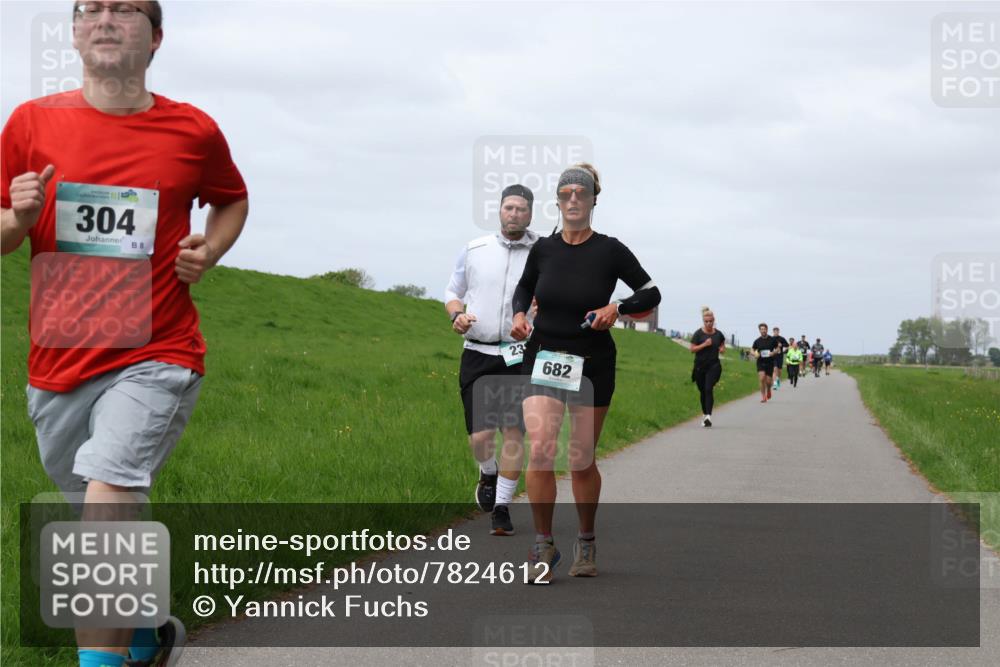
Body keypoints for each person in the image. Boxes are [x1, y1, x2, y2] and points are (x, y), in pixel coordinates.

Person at [1, 3, 249, 666]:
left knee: (108, 495)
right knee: (90, 508)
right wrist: (18, 218)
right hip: (57, 363)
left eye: (124, 7)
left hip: (155, 351)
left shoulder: (192, 130)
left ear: (156, 37)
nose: (105, 16)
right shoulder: (29, 124)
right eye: (92, 7)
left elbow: (231, 196)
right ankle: (144, 629)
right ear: (77, 32)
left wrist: (211, 248)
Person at [509, 163, 659, 582]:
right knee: (539, 450)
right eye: (566, 193)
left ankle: (587, 540)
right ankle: (542, 545)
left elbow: (650, 291)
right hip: (543, 356)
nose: (573, 199)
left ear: (594, 199)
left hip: (592, 362)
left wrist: (618, 308)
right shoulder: (544, 250)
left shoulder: (610, 250)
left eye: (582, 192)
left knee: (580, 458)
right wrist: (520, 313)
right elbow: (525, 287)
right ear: (557, 202)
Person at [445, 184, 538, 536]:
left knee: (514, 432)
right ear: (499, 210)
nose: (514, 214)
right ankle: (488, 471)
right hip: (478, 353)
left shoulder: (542, 251)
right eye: (508, 208)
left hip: (519, 356)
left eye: (521, 209)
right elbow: (453, 292)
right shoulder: (475, 249)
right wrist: (456, 315)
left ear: (530, 213)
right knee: (480, 438)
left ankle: (502, 507)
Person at [689, 307, 725, 427]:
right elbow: (692, 349)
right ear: (703, 321)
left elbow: (722, 345)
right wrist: (704, 344)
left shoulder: (718, 334)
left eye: (710, 321)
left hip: (714, 366)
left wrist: (722, 349)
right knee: (702, 391)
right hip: (699, 366)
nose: (709, 323)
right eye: (706, 321)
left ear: (714, 320)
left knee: (708, 388)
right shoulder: (698, 334)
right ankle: (705, 415)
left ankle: (709, 416)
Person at [751, 323, 778, 402]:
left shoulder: (772, 340)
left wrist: (773, 353)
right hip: (760, 362)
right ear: (759, 330)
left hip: (770, 362)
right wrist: (755, 354)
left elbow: (777, 349)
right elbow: (752, 350)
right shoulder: (757, 341)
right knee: (762, 378)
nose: (763, 331)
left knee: (769, 381)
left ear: (767, 330)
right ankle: (763, 397)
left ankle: (769, 389)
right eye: (761, 329)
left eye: (764, 329)